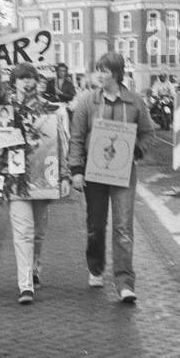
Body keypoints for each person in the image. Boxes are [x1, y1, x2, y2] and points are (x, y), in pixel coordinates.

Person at [68, 53, 155, 304]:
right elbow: (76, 137)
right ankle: (95, 267)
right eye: (98, 70)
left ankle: (125, 282)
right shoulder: (87, 102)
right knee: (96, 226)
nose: (99, 75)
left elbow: (148, 133)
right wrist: (76, 169)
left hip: (123, 174)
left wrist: (136, 151)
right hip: (94, 175)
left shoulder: (135, 103)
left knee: (123, 228)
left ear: (116, 74)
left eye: (104, 71)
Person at [3, 63, 70, 305]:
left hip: (44, 176)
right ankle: (25, 285)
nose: (27, 83)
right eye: (22, 79)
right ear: (15, 82)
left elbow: (62, 143)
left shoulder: (52, 110)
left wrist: (64, 176)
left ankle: (34, 267)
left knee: (38, 233)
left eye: (30, 78)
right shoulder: (5, 110)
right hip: (16, 179)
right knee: (23, 232)